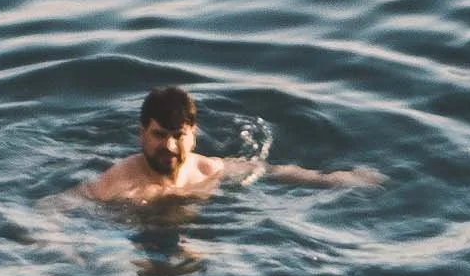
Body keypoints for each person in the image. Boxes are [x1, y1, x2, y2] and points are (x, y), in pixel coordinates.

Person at [80, 84, 380, 205]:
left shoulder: (207, 169)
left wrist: (335, 180)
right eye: (159, 135)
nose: (169, 146)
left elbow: (271, 171)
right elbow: (59, 205)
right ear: (141, 133)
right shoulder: (118, 182)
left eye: (178, 135)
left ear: (193, 134)